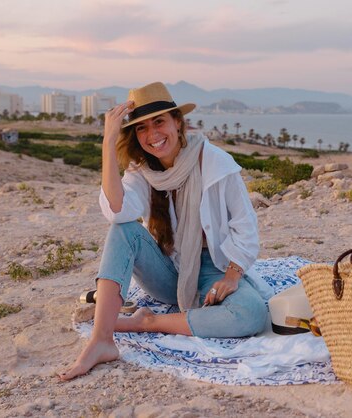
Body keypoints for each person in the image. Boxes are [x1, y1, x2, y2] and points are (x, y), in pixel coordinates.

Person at [60, 82, 272, 381]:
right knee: (123, 229)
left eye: (159, 122)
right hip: (168, 271)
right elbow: (117, 211)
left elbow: (245, 225)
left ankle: (148, 321)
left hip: (214, 267)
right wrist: (108, 142)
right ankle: (102, 340)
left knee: (251, 314)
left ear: (177, 122)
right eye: (141, 128)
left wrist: (233, 275)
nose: (152, 135)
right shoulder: (141, 171)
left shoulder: (216, 162)